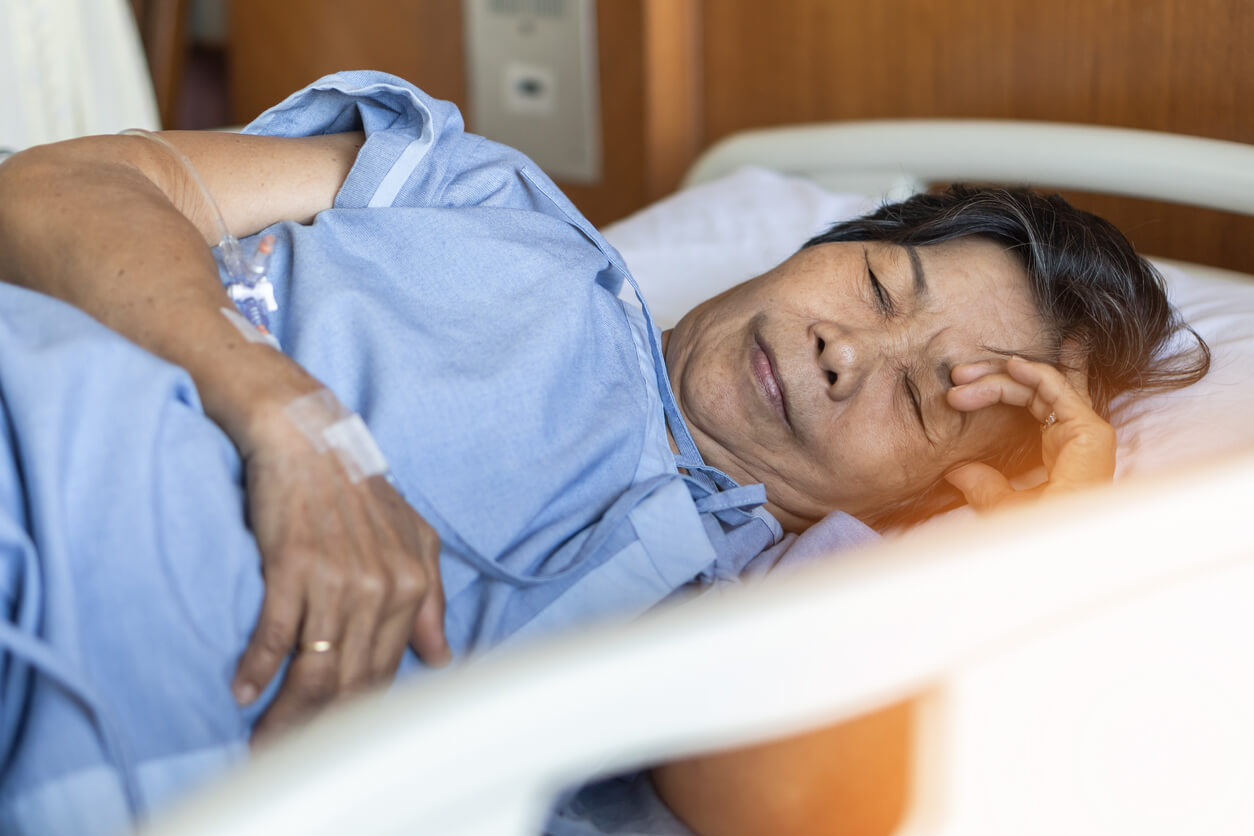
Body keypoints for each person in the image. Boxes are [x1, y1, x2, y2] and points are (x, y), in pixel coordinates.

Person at [0, 71, 1207, 835]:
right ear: (823, 242)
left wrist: (1043, 558)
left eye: (927, 397)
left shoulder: (742, 614)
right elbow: (68, 186)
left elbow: (790, 809)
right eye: (883, 284)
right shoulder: (482, 200)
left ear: (927, 497)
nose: (851, 351)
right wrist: (282, 413)